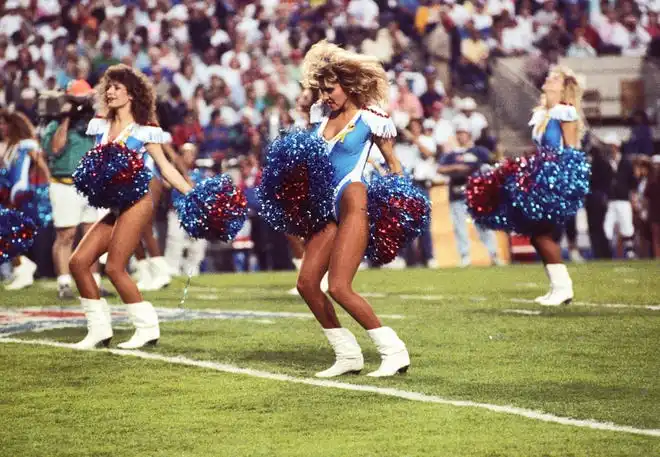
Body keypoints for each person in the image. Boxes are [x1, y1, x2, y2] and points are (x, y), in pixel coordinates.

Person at [296, 41, 409, 378]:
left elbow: (393, 164)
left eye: (330, 89)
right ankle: (347, 354)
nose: (325, 95)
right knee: (306, 283)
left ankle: (394, 350)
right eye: (321, 89)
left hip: (353, 201)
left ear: (348, 85)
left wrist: (397, 200)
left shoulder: (372, 118)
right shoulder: (321, 116)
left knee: (340, 286)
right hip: (325, 207)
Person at [69, 64, 193, 350]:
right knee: (78, 262)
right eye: (108, 87)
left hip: (138, 201)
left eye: (117, 88)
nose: (110, 92)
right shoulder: (100, 124)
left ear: (132, 95)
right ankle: (98, 330)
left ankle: (147, 328)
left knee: (114, 267)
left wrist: (193, 194)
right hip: (114, 205)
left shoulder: (145, 129)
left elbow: (165, 168)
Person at [469, 66, 589, 306]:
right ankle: (558, 287)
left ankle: (563, 288)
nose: (549, 78)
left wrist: (562, 181)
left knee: (541, 234)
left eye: (555, 78)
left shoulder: (565, 112)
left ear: (564, 87)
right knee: (537, 235)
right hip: (541, 176)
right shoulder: (545, 113)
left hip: (554, 180)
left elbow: (572, 149)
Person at [41, 79, 106, 299]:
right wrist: (66, 118)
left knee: (92, 236)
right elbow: (56, 148)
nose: (81, 105)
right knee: (66, 235)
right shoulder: (54, 124)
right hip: (64, 184)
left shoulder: (92, 124)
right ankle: (64, 283)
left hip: (89, 186)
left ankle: (94, 282)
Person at [1, 110, 51, 291]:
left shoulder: (26, 144)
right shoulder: (9, 146)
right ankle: (22, 267)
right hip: (9, 195)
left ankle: (23, 268)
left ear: (14, 125)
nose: (1, 127)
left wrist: (47, 189)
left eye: (4, 124)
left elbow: (42, 167)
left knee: (8, 233)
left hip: (23, 196)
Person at [439, 119, 500, 267]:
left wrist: (474, 168)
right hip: (457, 194)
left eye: (463, 133)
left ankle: (494, 254)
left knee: (483, 226)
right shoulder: (451, 154)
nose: (460, 136)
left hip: (476, 194)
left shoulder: (478, 151)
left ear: (469, 135)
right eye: (458, 133)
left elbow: (494, 162)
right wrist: (459, 168)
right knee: (460, 228)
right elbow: (440, 168)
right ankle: (465, 256)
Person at [599, 132, 637, 259]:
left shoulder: (625, 163)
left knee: (626, 224)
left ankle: (630, 251)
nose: (609, 148)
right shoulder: (605, 163)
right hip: (611, 199)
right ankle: (611, 250)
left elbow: (632, 182)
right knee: (607, 226)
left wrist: (633, 197)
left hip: (623, 198)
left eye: (611, 146)